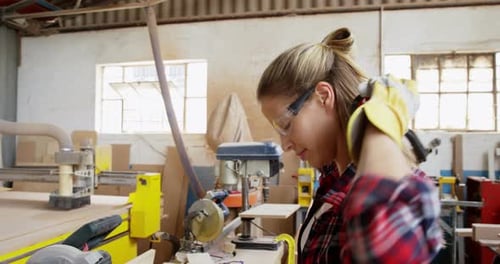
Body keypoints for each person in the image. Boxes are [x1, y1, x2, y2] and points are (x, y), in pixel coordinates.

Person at [256, 27, 442, 263]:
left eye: (286, 125)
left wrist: (377, 125)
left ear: (323, 96)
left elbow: (385, 252)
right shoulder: (333, 178)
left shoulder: (387, 188)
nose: (285, 145)